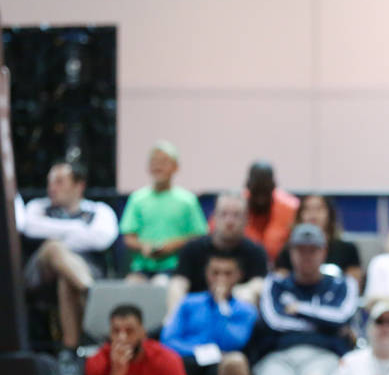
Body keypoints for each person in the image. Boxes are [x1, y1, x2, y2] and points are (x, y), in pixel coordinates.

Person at [253, 224, 358, 375]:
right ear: (291, 252)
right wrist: (322, 321)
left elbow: (342, 316)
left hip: (323, 355)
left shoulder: (343, 284)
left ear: (324, 253)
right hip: (280, 354)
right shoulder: (275, 284)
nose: (307, 256)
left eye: (313, 250)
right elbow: (274, 321)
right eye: (301, 250)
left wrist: (299, 309)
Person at [19, 162, 118, 357]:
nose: (51, 188)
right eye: (50, 182)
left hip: (84, 269)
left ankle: (71, 351)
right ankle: (92, 295)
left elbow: (101, 239)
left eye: (59, 182)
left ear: (79, 185)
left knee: (67, 279)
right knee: (54, 247)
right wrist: (79, 229)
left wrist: (56, 231)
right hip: (40, 275)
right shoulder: (36, 207)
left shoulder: (99, 210)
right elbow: (29, 227)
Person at [167, 191, 268, 317]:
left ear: (247, 219)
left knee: (248, 294)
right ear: (214, 217)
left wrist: (234, 293)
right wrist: (173, 318)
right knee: (174, 288)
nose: (230, 221)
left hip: (236, 315)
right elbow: (179, 282)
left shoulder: (256, 252)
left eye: (237, 215)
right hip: (196, 314)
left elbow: (259, 283)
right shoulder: (192, 248)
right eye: (224, 214)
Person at [120, 141, 208, 283]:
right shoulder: (137, 199)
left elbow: (198, 236)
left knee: (161, 285)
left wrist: (171, 246)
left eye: (164, 161)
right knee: (130, 286)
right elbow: (128, 237)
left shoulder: (188, 200)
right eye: (154, 161)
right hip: (142, 267)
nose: (158, 166)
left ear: (175, 167)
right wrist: (144, 246)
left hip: (175, 268)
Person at [274, 194, 363, 289]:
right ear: (300, 215)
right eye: (307, 209)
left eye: (319, 209)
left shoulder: (348, 250)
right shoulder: (288, 249)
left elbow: (354, 287)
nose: (313, 215)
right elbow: (280, 285)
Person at [243, 161, 300, 261]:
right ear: (248, 187)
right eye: (257, 189)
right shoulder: (233, 209)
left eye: (265, 189)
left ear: (273, 187)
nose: (261, 196)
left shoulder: (291, 209)